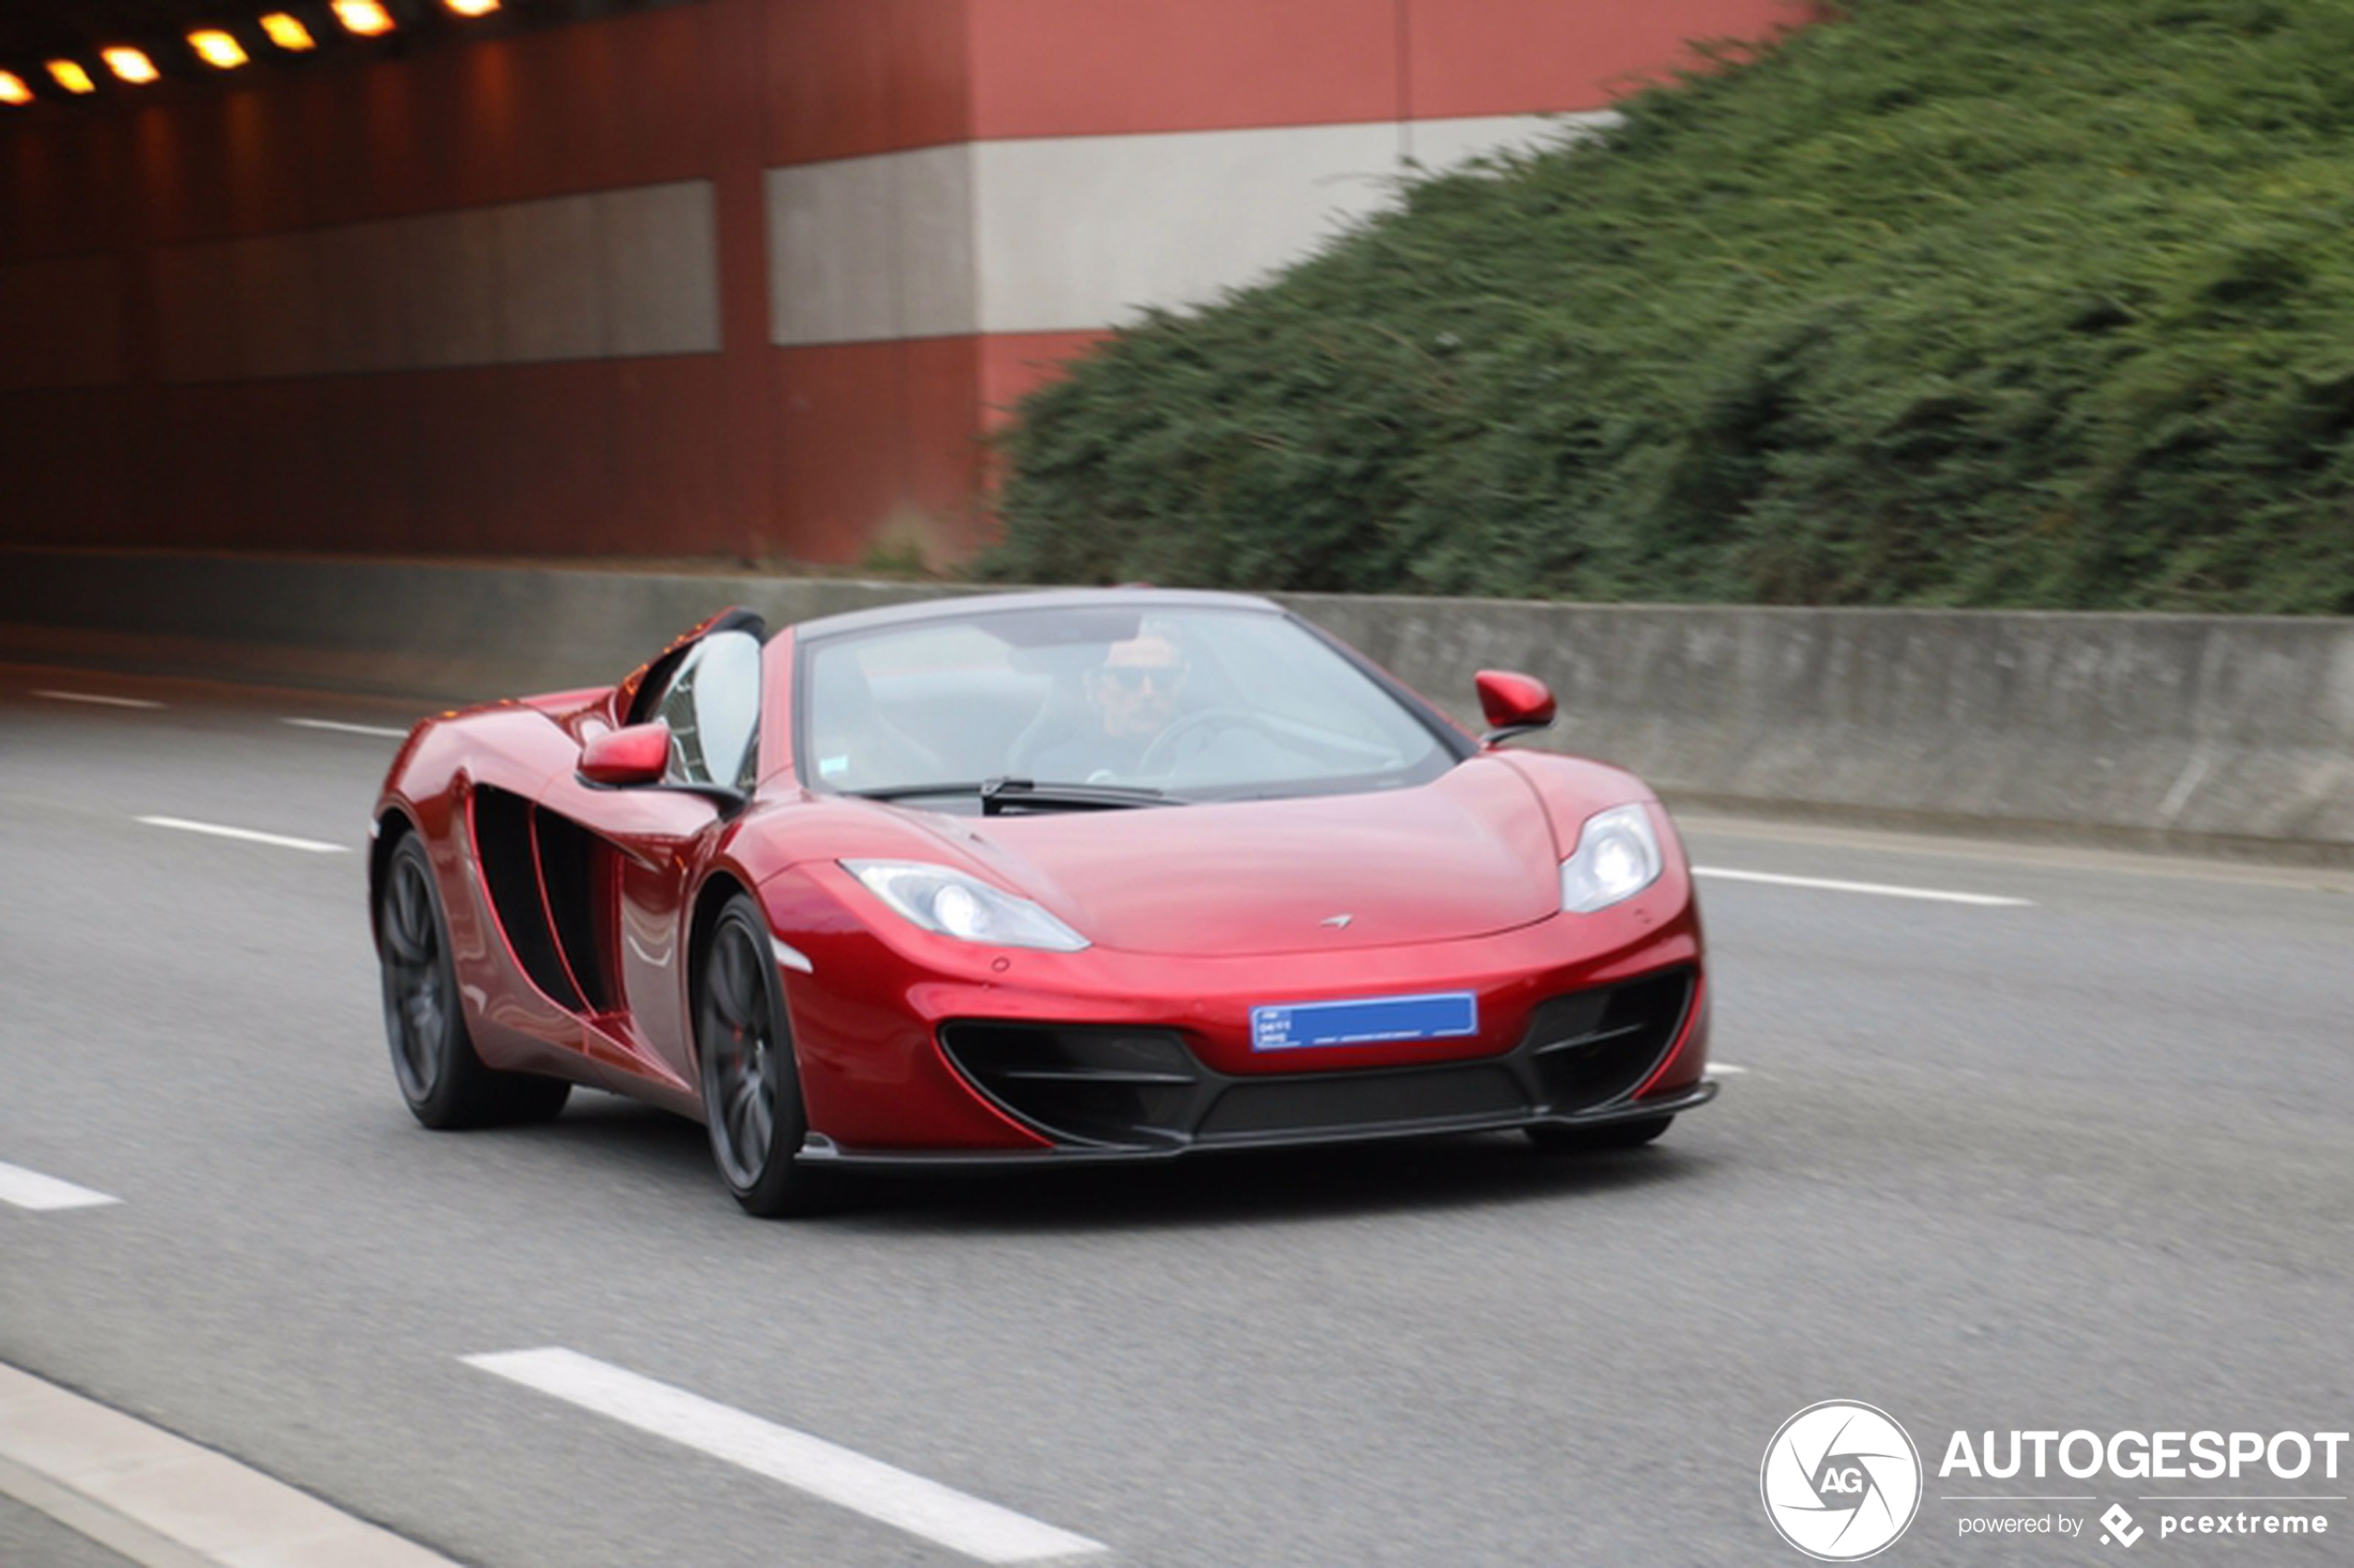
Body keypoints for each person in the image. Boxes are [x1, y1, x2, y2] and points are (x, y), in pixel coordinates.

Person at [1026, 630, 1192, 782]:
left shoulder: (1203, 757)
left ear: (1180, 684)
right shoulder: (1061, 768)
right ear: (1096, 687)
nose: (1147, 692)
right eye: (1128, 678)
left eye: (1163, 677)